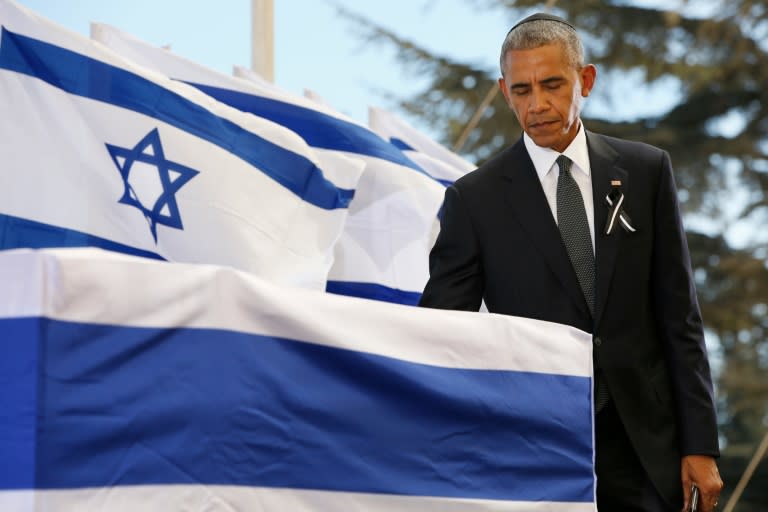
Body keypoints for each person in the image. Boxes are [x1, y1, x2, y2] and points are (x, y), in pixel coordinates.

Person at [419, 12, 723, 512]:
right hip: (534, 450)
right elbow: (443, 334)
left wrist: (700, 443)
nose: (537, 104)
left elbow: (680, 320)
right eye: (521, 90)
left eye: (552, 85)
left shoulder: (646, 172)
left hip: (648, 451)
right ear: (503, 91)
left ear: (585, 80)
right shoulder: (474, 200)